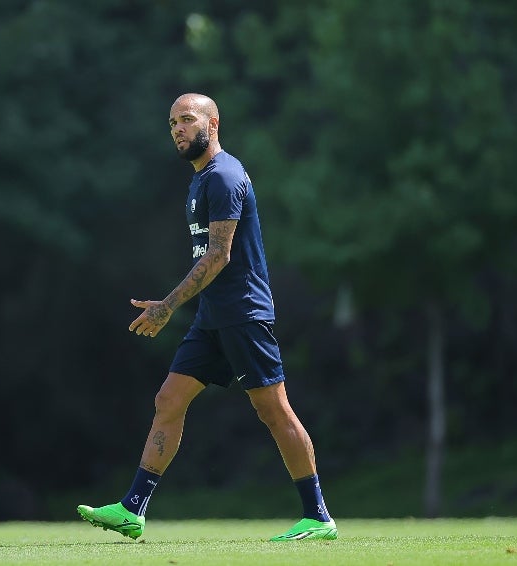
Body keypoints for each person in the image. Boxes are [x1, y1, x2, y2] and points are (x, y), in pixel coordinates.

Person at [76, 93, 337, 542]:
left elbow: (219, 255)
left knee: (273, 411)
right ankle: (133, 508)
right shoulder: (199, 181)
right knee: (168, 401)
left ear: (212, 124)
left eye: (187, 119)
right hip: (213, 316)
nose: (178, 128)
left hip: (243, 313)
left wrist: (166, 306)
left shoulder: (224, 176)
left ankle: (318, 517)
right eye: (172, 122)